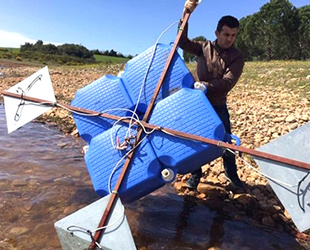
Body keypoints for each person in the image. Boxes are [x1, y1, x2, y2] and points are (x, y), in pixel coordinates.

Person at [179, 0, 245, 190]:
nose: (229, 39)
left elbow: (227, 83)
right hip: (196, 103)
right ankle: (195, 174)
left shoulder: (236, 57)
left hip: (217, 103)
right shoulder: (203, 47)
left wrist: (205, 85)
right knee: (193, 138)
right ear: (217, 33)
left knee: (226, 140)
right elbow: (182, 41)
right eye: (226, 34)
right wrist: (186, 13)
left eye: (233, 35)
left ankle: (231, 174)